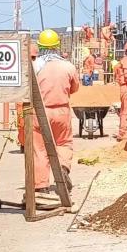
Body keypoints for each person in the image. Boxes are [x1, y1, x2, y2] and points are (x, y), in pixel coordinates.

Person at [32, 29, 80, 199]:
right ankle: (63, 168)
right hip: (61, 111)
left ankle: (40, 186)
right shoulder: (68, 66)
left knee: (39, 149)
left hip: (39, 112)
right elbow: (75, 88)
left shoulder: (35, 66)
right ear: (57, 46)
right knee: (64, 143)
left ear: (40, 46)